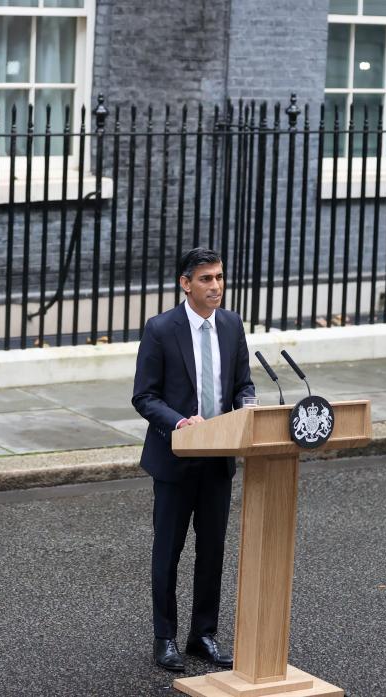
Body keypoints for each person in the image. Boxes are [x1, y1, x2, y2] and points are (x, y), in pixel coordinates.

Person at [132, 247, 255, 672]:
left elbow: (242, 384)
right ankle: (164, 638)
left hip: (218, 457)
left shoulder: (232, 324)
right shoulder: (161, 329)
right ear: (185, 284)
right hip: (176, 458)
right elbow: (144, 396)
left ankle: (203, 634)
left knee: (212, 550)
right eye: (206, 279)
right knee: (168, 550)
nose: (216, 286)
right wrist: (181, 422)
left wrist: (249, 407)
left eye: (219, 277)